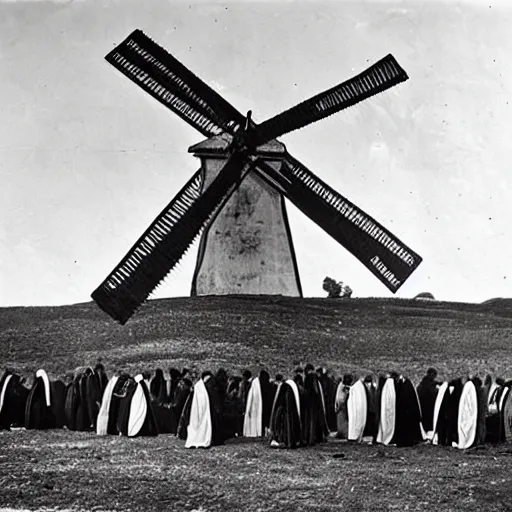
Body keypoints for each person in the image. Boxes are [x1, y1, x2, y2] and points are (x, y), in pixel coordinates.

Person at [416, 367, 439, 435]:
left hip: (423, 406)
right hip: (429, 406)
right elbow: (433, 393)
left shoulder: (422, 383)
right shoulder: (430, 384)